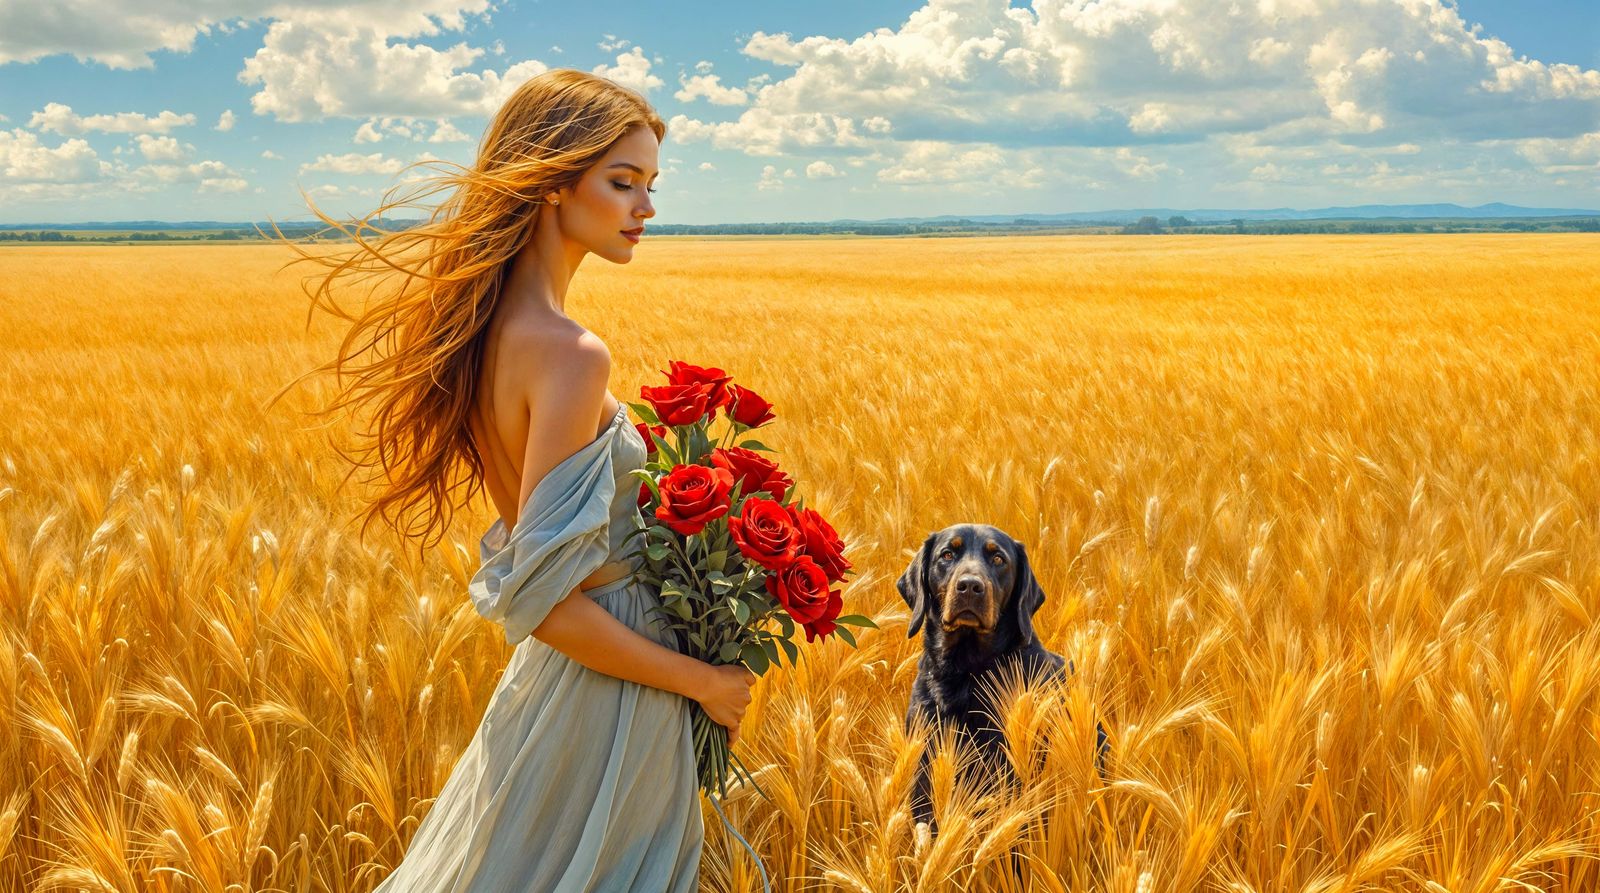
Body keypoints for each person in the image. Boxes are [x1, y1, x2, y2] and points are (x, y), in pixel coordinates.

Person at [273, 68, 757, 891]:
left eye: (650, 184)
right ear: (553, 184)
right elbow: (545, 603)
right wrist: (705, 680)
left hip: (563, 692)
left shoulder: (493, 332)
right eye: (622, 181)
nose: (646, 207)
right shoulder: (570, 353)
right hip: (610, 695)